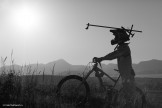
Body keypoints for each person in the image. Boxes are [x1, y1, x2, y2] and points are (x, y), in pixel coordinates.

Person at [93, 29, 136, 107]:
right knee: (122, 92)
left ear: (120, 38)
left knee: (128, 96)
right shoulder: (122, 47)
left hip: (127, 74)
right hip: (125, 73)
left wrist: (101, 58)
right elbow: (114, 54)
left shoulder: (124, 48)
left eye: (116, 36)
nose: (115, 39)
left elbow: (113, 55)